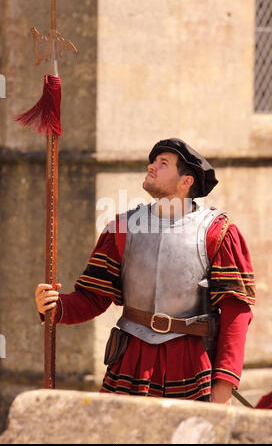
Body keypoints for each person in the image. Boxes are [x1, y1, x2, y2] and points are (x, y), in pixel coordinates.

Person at [35, 138, 256, 404]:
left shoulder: (218, 233)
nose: (151, 166)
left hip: (192, 363)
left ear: (186, 182)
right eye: (153, 161)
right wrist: (55, 306)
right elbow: (93, 298)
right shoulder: (121, 229)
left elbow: (236, 313)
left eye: (163, 163)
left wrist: (223, 387)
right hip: (131, 359)